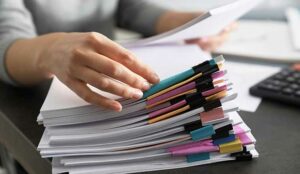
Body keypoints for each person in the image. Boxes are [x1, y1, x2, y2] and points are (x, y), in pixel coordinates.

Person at [0, 0, 234, 111]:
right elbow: (6, 42)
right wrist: (48, 50)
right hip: (35, 97)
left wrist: (180, 22)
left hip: (109, 83)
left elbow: (125, 6)